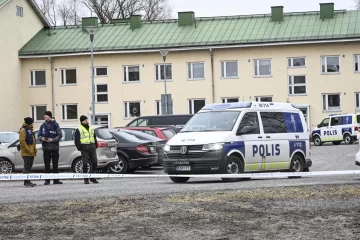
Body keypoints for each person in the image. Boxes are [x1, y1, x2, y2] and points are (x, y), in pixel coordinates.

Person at [38, 111, 63, 185]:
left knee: (55, 164)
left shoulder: (55, 124)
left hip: (54, 147)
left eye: (46, 115)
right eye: (44, 115)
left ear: (49, 116)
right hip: (46, 148)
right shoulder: (42, 125)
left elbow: (59, 135)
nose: (44, 116)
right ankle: (47, 180)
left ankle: (56, 180)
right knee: (47, 164)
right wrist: (41, 138)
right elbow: (39, 135)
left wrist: (53, 140)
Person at [74, 115, 99, 184]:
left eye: (87, 120)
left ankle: (92, 177)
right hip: (85, 148)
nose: (87, 121)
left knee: (94, 162)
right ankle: (86, 179)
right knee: (85, 164)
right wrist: (80, 148)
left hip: (92, 147)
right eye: (85, 120)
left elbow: (94, 137)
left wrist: (95, 145)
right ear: (82, 121)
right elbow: (77, 140)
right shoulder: (79, 129)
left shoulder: (91, 128)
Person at [19, 117, 37, 187]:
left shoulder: (30, 129)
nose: (33, 123)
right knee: (26, 167)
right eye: (32, 122)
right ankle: (26, 181)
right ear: (29, 123)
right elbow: (22, 142)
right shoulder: (23, 130)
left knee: (29, 166)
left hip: (31, 152)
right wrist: (28, 150)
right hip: (27, 152)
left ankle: (28, 180)